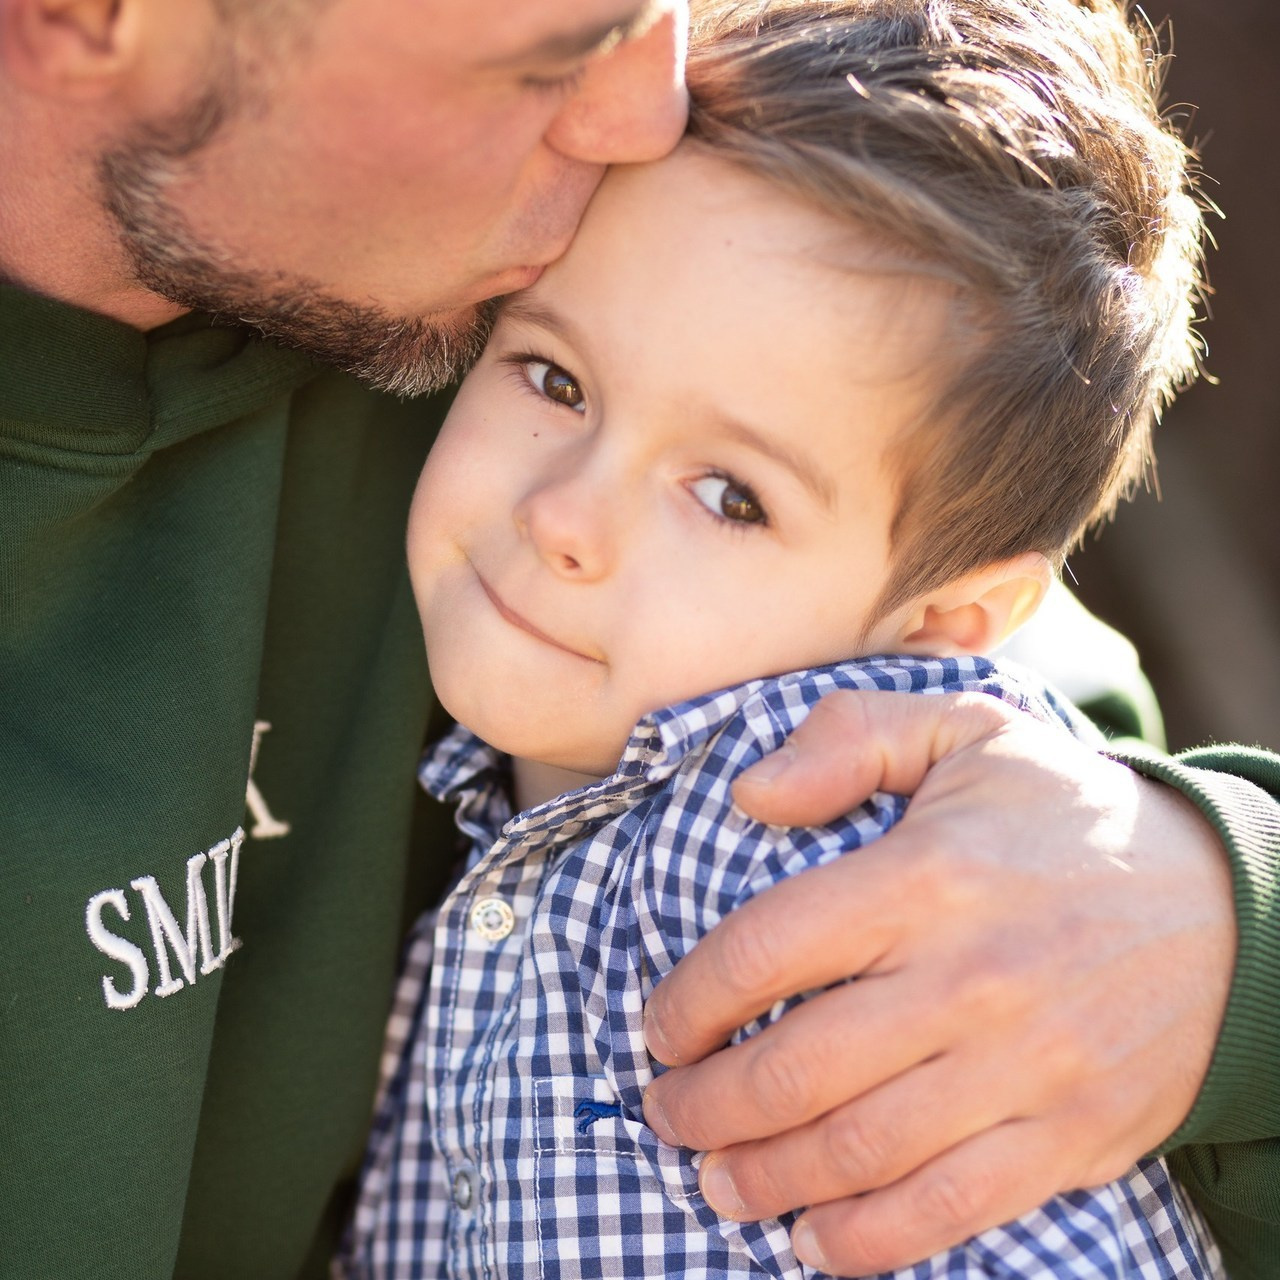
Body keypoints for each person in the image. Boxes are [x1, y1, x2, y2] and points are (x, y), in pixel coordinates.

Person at [0, 0, 1274, 1277]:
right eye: (552, 379)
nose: (652, 101)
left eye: (728, 496)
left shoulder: (588, 232)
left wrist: (1227, 912)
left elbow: (1047, 807)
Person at [336, 0, 1224, 1273]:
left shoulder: (832, 889)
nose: (564, 517)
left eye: (729, 496)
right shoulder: (518, 824)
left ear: (943, 624)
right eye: (554, 378)